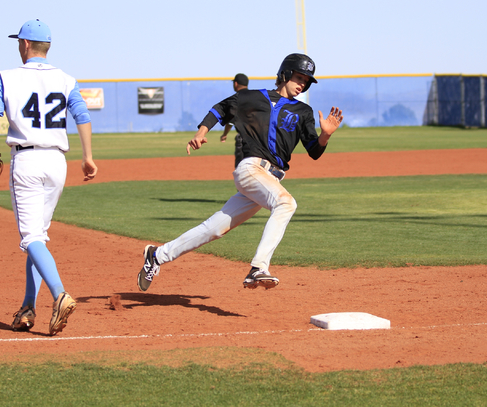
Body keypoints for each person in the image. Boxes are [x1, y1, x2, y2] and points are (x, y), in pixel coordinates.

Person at [138, 53, 343, 291]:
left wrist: (325, 135)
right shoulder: (251, 97)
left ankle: (157, 255)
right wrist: (201, 132)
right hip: (251, 168)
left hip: (268, 179)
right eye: (299, 77)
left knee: (214, 228)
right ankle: (259, 267)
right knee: (286, 203)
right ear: (284, 74)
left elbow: (314, 151)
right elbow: (220, 109)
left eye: (306, 81)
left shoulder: (303, 112)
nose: (302, 84)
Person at [0, 19, 98, 335]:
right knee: (38, 236)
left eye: (19, 42)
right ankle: (28, 308)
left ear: (25, 44)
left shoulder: (9, 77)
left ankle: (60, 295)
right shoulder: (66, 79)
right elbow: (82, 116)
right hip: (57, 162)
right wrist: (88, 157)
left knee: (30, 238)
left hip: (27, 161)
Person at [220, 73, 248, 167]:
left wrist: (224, 135)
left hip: (243, 138)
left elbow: (230, 121)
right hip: (259, 140)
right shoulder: (255, 98)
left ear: (236, 84)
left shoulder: (236, 100)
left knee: (241, 169)